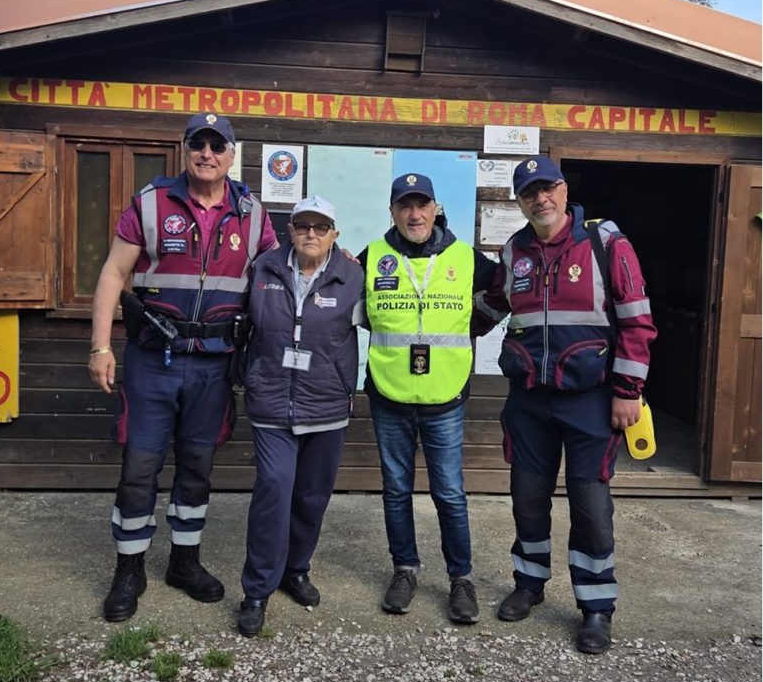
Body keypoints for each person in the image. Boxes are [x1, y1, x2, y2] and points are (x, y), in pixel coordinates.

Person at [89, 112, 277, 623]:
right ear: (186, 149)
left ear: (233, 155)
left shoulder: (253, 214)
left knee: (197, 468)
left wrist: (334, 261)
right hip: (154, 361)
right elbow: (113, 272)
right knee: (139, 468)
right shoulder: (151, 204)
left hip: (214, 367)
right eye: (200, 143)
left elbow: (280, 275)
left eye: (219, 145)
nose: (208, 153)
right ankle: (130, 570)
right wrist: (100, 346)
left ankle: (183, 562)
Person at [474, 155, 656, 654]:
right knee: (527, 501)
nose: (541, 199)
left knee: (590, 508)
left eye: (547, 188)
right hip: (529, 403)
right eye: (529, 193)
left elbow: (638, 322)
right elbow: (493, 306)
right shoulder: (516, 250)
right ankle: (529, 584)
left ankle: (596, 608)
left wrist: (627, 393)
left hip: (591, 402)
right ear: (519, 201)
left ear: (563, 188)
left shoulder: (605, 244)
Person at [359, 173, 498, 624]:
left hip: (445, 397)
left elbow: (505, 292)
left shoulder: (465, 257)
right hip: (389, 394)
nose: (414, 214)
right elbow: (343, 295)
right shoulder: (373, 255)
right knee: (396, 491)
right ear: (393, 212)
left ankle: (461, 579)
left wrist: (477, 323)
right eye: (405, 206)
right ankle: (405, 570)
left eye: (422, 206)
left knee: (450, 494)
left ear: (436, 209)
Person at [238, 196, 364, 637]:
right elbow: (240, 324)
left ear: (335, 233)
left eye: (321, 226)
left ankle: (296, 569)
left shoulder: (354, 276)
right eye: (302, 225)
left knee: (312, 497)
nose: (311, 233)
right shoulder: (263, 269)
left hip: (327, 404)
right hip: (272, 401)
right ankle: (257, 589)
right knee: (274, 488)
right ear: (289, 230)